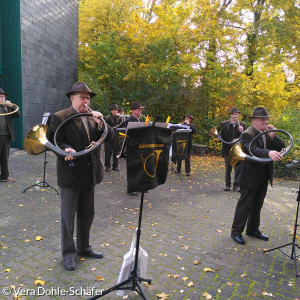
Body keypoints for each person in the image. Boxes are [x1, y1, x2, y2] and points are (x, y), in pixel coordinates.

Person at [47, 82, 113, 271]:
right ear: (72, 98)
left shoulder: (93, 117)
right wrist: (65, 149)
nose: (86, 100)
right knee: (68, 217)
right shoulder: (60, 116)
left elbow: (109, 138)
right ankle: (68, 254)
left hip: (89, 174)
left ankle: (84, 248)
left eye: (88, 97)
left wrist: (102, 124)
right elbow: (54, 141)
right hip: (70, 174)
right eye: (82, 97)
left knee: (87, 213)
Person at [231, 107, 285, 245]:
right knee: (245, 205)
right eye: (262, 119)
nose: (265, 122)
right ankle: (236, 232)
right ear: (254, 120)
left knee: (258, 204)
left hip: (263, 175)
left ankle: (252, 229)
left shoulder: (267, 132)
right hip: (249, 175)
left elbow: (281, 147)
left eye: (266, 119)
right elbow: (252, 149)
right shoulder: (248, 133)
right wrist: (268, 153)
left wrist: (273, 136)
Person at [219, 108, 246, 191]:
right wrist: (219, 138)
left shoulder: (242, 124)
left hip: (237, 149)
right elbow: (221, 135)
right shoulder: (224, 123)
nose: (236, 116)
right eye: (234, 114)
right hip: (228, 149)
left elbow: (245, 137)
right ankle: (228, 185)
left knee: (237, 168)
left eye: (237, 114)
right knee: (228, 168)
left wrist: (242, 131)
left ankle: (236, 186)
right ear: (231, 114)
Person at [0, 88, 21, 182]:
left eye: (3, 97)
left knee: (5, 158)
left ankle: (5, 176)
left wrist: (12, 106)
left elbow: (17, 115)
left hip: (6, 136)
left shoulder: (7, 107)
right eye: (0, 96)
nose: (2, 98)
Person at [124, 101, 144, 196]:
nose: (140, 111)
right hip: (132, 147)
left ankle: (138, 186)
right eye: (139, 109)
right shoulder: (129, 120)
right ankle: (131, 188)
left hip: (139, 147)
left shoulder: (139, 120)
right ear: (133, 110)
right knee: (132, 168)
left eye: (140, 110)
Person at [104, 104, 122, 172]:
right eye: (114, 110)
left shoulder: (120, 118)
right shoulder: (107, 117)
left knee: (116, 153)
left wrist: (120, 118)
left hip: (117, 138)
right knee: (108, 153)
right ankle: (107, 166)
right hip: (109, 138)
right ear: (111, 111)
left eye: (116, 110)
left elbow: (122, 125)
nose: (115, 111)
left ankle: (115, 166)